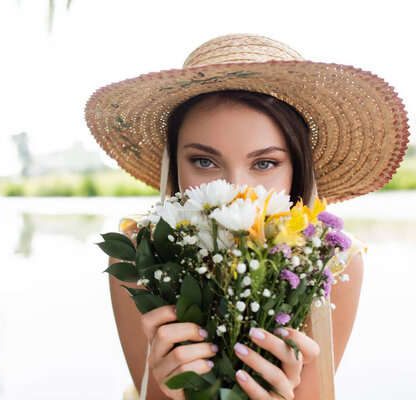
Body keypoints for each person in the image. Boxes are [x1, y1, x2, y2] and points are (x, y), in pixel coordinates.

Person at [84, 34, 409, 400]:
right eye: (204, 162)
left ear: (296, 168)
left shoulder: (334, 265)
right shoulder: (135, 253)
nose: (236, 191)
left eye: (265, 163)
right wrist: (173, 391)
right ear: (174, 164)